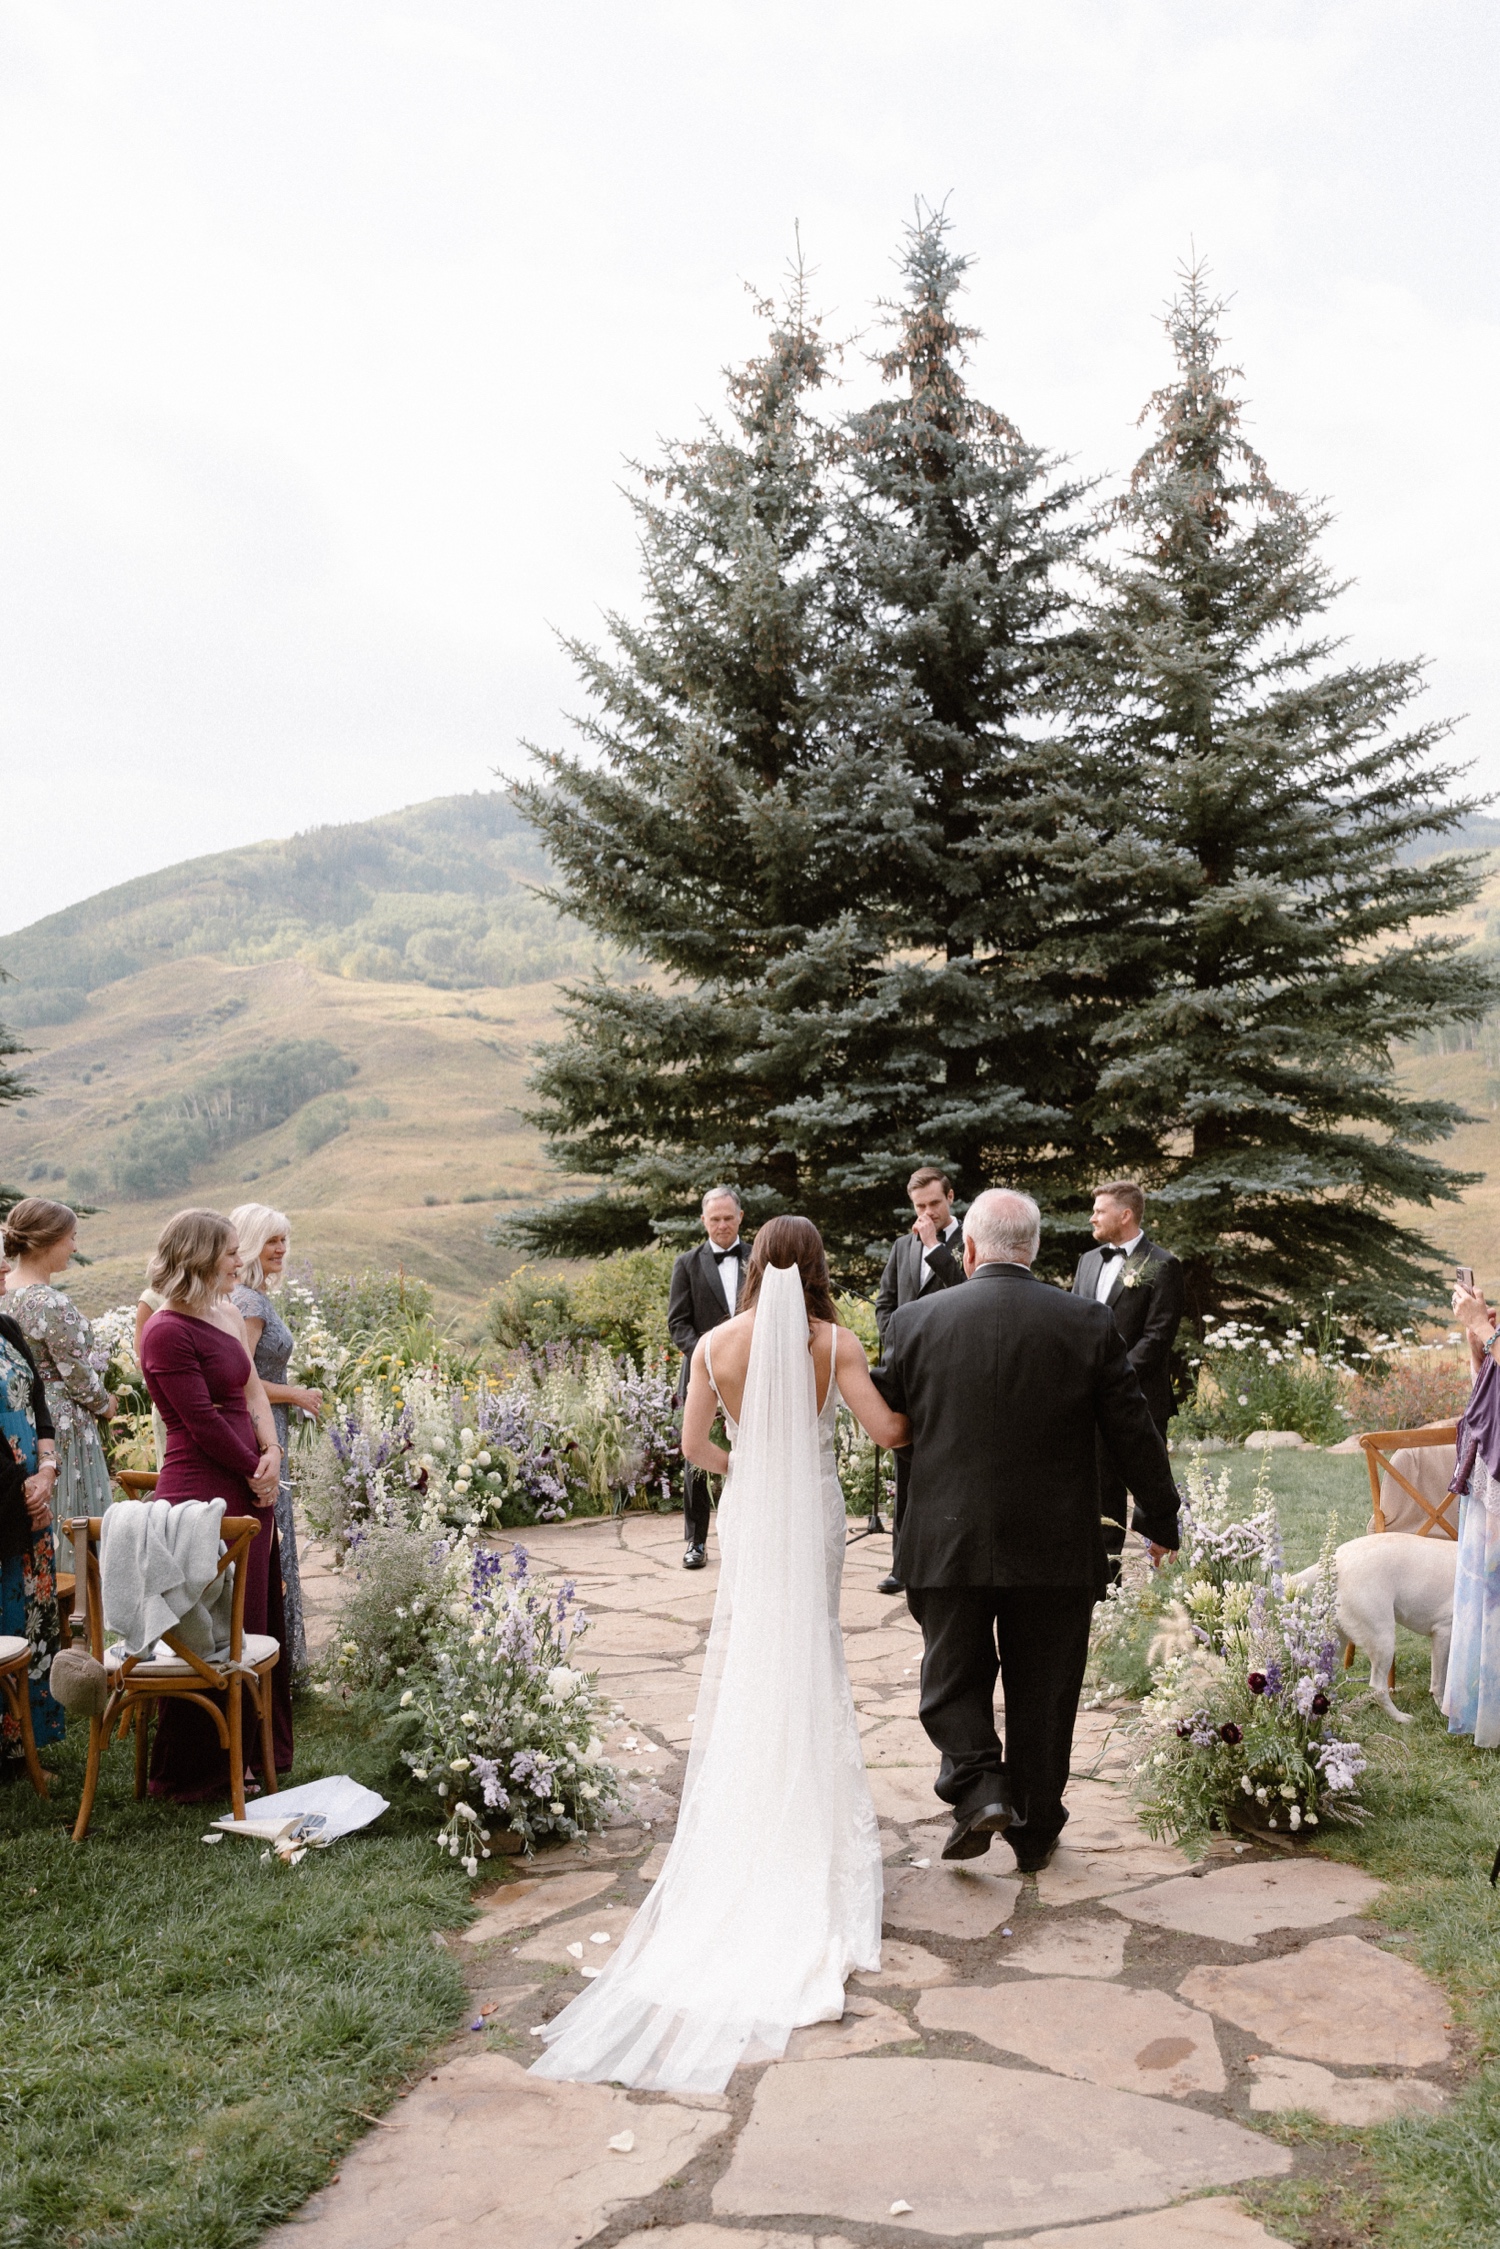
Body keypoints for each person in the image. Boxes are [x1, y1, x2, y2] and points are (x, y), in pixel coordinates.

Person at [532, 1216, 909, 2094]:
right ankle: (807, 1826)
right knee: (811, 1654)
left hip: (752, 1510)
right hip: (811, 1510)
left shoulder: (712, 1344)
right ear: (815, 1267)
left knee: (754, 1658)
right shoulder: (836, 1342)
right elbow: (888, 1432)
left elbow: (693, 1444)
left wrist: (751, 1467)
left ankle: (757, 1812)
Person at [873, 1188, 1179, 1873]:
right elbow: (1133, 1427)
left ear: (970, 1248)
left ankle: (981, 1784)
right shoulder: (1087, 1321)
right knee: (1046, 1688)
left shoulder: (915, 1323)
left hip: (945, 1536)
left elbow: (888, 1420)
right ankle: (1036, 1827)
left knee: (950, 1677)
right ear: (1034, 1250)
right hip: (1056, 1544)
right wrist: (1160, 1515)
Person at [138, 1208, 293, 1799]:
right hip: (204, 1481)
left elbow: (251, 1388)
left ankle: (253, 1751)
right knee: (212, 1627)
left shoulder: (226, 1311)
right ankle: (199, 1769)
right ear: (200, 1256)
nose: (239, 1259)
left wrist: (272, 1452)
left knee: (253, 1617)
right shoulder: (166, 1329)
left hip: (252, 1478)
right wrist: (253, 1469)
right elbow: (200, 1421)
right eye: (230, 1251)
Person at [1071, 1179, 1184, 1586]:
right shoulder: (1088, 1261)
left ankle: (1162, 1569)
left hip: (1139, 1397)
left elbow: (1158, 1338)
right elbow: (1075, 1324)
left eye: (1099, 1210)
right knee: (1102, 1488)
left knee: (1148, 1484)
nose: (1092, 1217)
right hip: (1092, 1399)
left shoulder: (1162, 1264)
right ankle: (1107, 1577)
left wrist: (1111, 1377)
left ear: (1125, 1214)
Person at [229, 1202, 322, 1682]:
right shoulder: (247, 1303)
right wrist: (297, 1394)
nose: (281, 1249)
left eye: (284, 1239)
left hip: (273, 1425)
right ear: (247, 1243)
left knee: (279, 1534)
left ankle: (282, 1665)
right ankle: (273, 1664)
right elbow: (240, 1379)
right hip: (260, 1429)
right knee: (272, 1534)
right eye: (271, 1240)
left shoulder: (252, 1297)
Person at [2, 1197, 116, 1564]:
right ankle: (81, 1589)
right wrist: (107, 1403)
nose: (75, 1247)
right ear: (48, 1241)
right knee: (75, 1511)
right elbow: (77, 1375)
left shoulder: (6, 1297)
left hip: (23, 1421)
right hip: (63, 1422)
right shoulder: (50, 1302)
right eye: (70, 1238)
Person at [872, 1167, 967, 1595]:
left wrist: (933, 1248)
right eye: (919, 1206)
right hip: (910, 1374)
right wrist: (898, 1344)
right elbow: (886, 1304)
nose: (927, 1213)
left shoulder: (972, 1243)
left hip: (954, 1373)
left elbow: (969, 1291)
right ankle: (901, 1564)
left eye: (934, 1203)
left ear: (951, 1197)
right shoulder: (900, 1246)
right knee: (904, 1469)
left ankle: (949, 1558)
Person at [0, 1268, 65, 1774]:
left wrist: (44, 1472)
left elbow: (40, 1408)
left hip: (30, 1491)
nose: (5, 1268)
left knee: (35, 1613)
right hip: (4, 1499)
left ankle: (28, 1741)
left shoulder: (6, 1328)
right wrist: (18, 1492)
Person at [666, 1186, 751, 1570]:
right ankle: (696, 1541)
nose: (721, 1225)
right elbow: (677, 1323)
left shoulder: (759, 1259)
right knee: (697, 1454)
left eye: (727, 1218)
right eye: (714, 1219)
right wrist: (706, 1353)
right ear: (704, 1221)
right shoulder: (686, 1264)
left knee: (754, 1446)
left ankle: (753, 1532)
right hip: (702, 1373)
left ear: (740, 1217)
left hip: (754, 1371)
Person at [1444, 1276, 1500, 1747]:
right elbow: (1488, 1389)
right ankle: (1485, 1704)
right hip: (1491, 1465)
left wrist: (1485, 1327)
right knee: (1487, 1585)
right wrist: (1477, 1343)